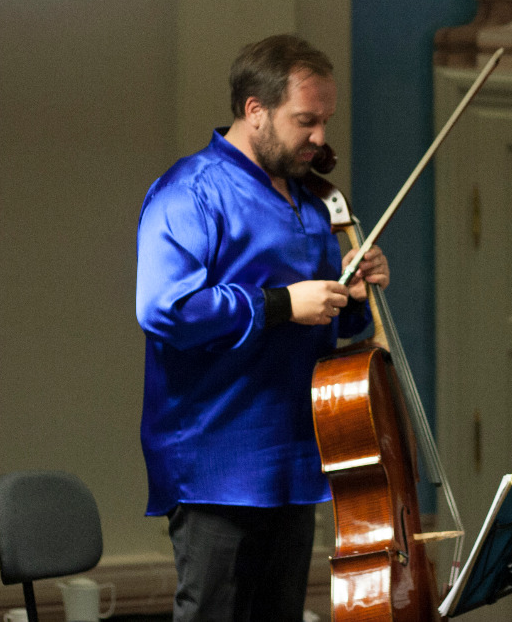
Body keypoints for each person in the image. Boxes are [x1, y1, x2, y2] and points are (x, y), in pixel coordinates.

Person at [135, 34, 389, 621]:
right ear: (255, 110)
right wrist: (281, 304)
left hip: (297, 457)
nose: (320, 137)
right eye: (306, 120)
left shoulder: (312, 202)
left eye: (325, 121)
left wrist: (355, 295)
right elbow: (164, 309)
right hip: (217, 461)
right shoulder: (191, 190)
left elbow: (321, 321)